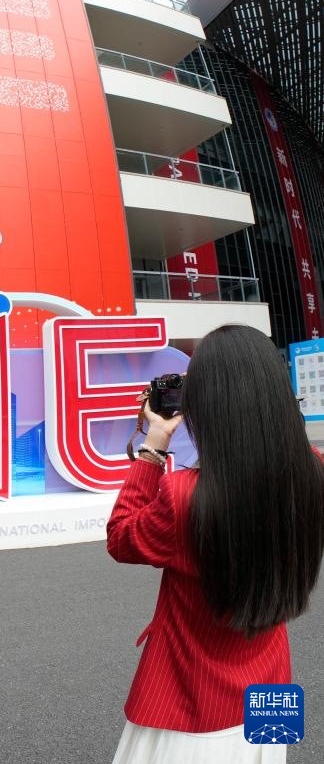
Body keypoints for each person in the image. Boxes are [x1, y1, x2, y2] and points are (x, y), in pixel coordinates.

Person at [107, 324, 324, 763]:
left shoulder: (183, 496)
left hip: (190, 704)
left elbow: (121, 537)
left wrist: (153, 445)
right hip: (272, 687)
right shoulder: (314, 471)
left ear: (206, 406)